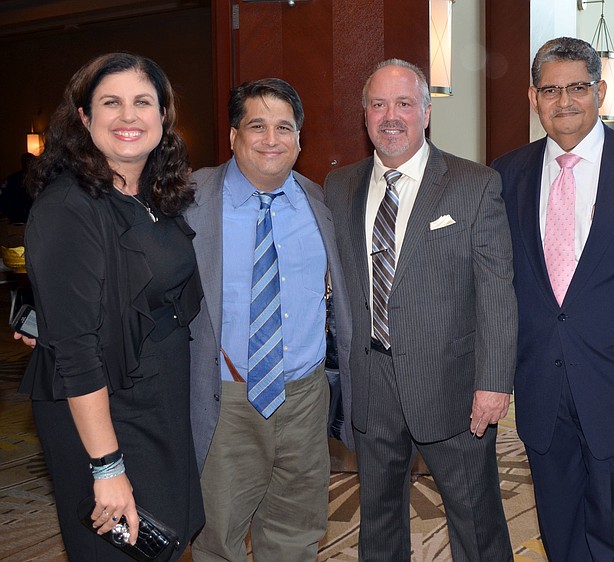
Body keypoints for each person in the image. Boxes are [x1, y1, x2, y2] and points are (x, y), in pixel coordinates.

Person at [491, 37, 614, 561]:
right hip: (541, 388)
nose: (564, 101)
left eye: (577, 87)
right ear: (533, 98)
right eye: (550, 90)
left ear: (600, 92)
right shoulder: (506, 174)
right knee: (560, 532)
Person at [324, 59, 517, 562]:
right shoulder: (339, 187)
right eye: (379, 104)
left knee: (476, 523)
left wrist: (494, 382)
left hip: (454, 388)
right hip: (372, 384)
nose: (391, 116)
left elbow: (496, 290)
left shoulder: (474, 184)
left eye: (404, 104)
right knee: (379, 523)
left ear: (426, 113)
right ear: (365, 114)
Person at [18, 52, 204, 560]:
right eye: (110, 103)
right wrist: (107, 466)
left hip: (158, 401)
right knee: (122, 548)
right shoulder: (68, 206)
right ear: (84, 117)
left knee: (166, 537)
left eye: (142, 102)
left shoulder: (154, 194)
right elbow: (76, 352)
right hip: (104, 413)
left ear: (162, 115)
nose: (128, 116)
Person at [186, 78, 352, 562]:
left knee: (296, 534)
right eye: (257, 126)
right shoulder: (189, 200)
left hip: (304, 397)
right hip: (225, 399)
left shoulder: (320, 203)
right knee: (218, 536)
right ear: (233, 135)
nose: (271, 139)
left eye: (284, 127)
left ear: (299, 139)